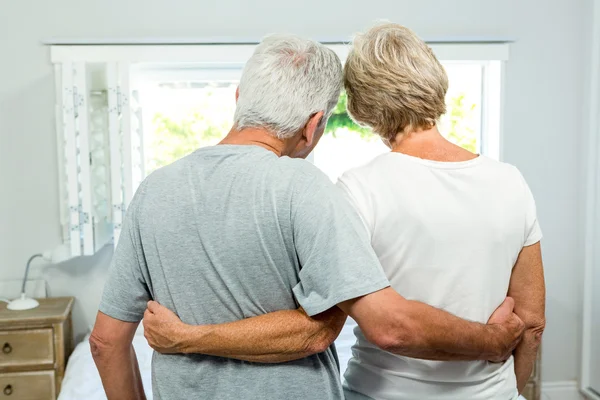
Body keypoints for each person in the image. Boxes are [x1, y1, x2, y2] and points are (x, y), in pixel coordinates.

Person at [91, 33, 524, 400]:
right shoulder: (303, 187)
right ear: (313, 124)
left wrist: (188, 338)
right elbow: (326, 331)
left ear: (239, 98)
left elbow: (106, 342)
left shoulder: (152, 191)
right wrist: (491, 341)